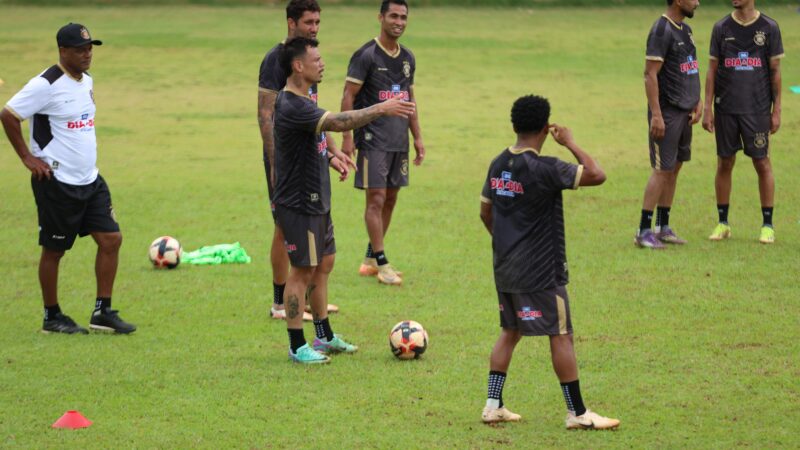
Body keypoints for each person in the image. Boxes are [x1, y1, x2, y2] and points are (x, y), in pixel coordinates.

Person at [479, 95, 619, 429]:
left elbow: (485, 212)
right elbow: (597, 174)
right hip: (541, 271)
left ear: (514, 125)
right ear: (545, 128)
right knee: (561, 335)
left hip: (505, 266)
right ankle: (577, 412)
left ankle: (492, 404)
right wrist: (570, 142)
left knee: (510, 331)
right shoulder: (545, 168)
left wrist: (506, 243)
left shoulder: (497, 163)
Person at [273, 37, 415, 363]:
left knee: (324, 264)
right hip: (298, 202)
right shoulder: (292, 104)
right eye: (317, 59)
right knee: (301, 271)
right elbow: (337, 122)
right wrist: (382, 107)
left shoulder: (305, 97)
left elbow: (316, 135)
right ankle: (297, 345)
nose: (322, 63)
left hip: (317, 196)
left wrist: (330, 155)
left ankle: (323, 336)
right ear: (298, 66)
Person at [0, 23, 135, 334]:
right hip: (57, 182)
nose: (87, 54)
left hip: (91, 180)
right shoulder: (45, 84)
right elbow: (8, 115)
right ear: (63, 51)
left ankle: (102, 311)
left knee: (111, 239)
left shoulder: (86, 80)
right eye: (79, 49)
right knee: (55, 250)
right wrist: (27, 157)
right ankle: (52, 316)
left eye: (90, 48)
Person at [258, 0, 340, 319]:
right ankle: (281, 302)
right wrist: (277, 167)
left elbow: (315, 113)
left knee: (307, 232)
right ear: (291, 22)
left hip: (311, 158)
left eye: (318, 22)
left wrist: (330, 150)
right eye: (309, 22)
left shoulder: (309, 59)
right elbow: (266, 116)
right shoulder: (277, 60)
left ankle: (305, 300)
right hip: (286, 162)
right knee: (283, 226)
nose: (315, 28)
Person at [340, 0, 425, 285]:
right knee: (375, 198)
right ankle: (383, 261)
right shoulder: (366, 55)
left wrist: (418, 137)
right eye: (393, 16)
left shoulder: (408, 57)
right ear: (380, 17)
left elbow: (410, 100)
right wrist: (347, 137)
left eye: (403, 17)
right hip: (372, 139)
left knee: (391, 198)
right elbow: (348, 96)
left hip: (398, 140)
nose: (398, 21)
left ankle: (370, 259)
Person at [702, 0, 783, 244]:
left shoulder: (769, 27)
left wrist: (776, 109)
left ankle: (767, 225)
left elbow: (776, 72)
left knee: (762, 163)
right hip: (726, 108)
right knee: (724, 163)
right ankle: (723, 223)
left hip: (757, 110)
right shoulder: (721, 28)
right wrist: (707, 107)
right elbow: (712, 69)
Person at [635, 0, 701, 249]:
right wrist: (657, 115)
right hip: (668, 112)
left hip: (686, 111)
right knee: (662, 170)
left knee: (674, 169)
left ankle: (663, 227)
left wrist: (698, 100)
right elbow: (649, 74)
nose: (697, 2)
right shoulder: (661, 30)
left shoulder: (685, 30)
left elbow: (690, 68)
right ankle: (643, 230)